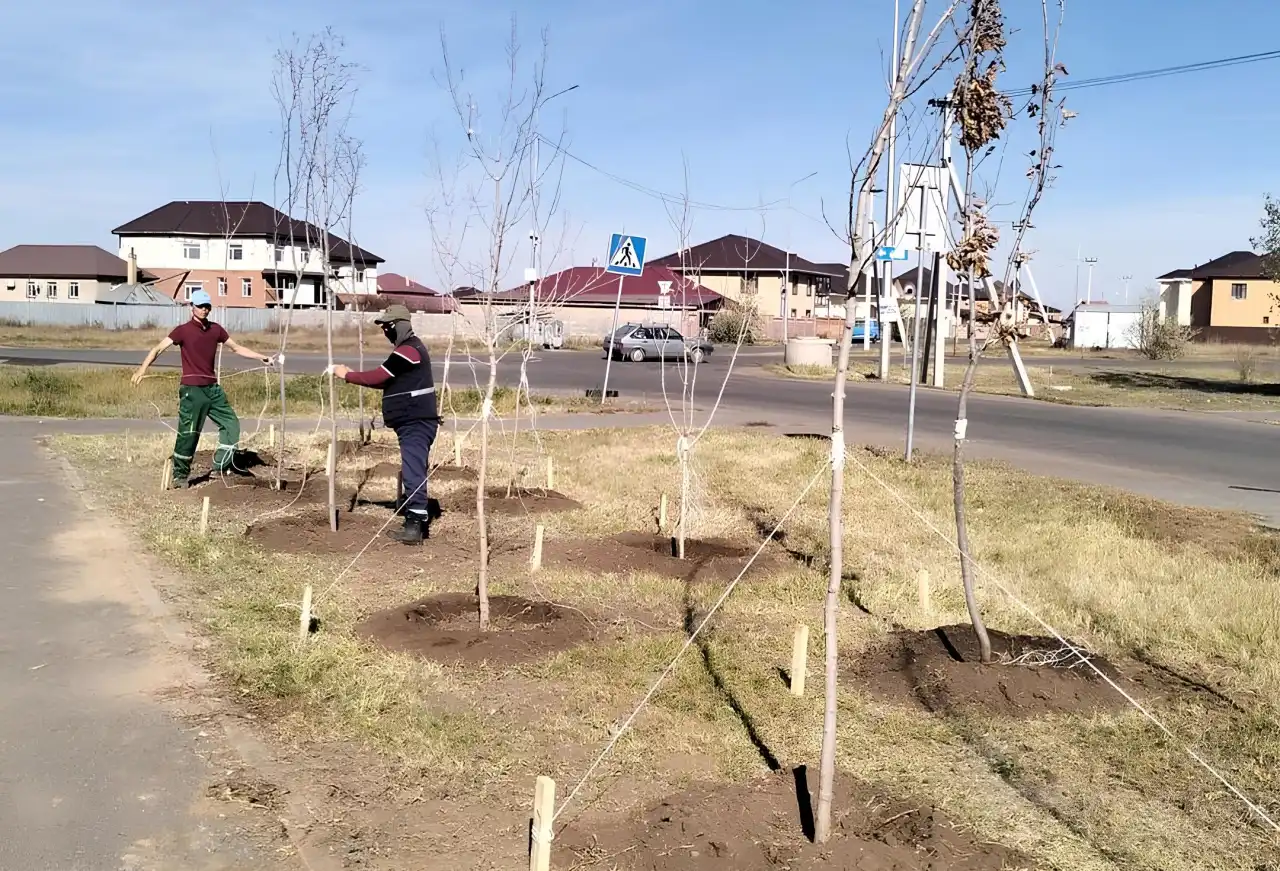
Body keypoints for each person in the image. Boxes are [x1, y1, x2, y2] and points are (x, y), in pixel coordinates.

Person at [131, 290, 276, 489]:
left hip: (213, 390)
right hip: (192, 391)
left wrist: (262, 357)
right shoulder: (182, 330)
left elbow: (237, 348)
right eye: (200, 306)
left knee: (231, 424)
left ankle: (220, 467)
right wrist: (142, 369)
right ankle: (180, 476)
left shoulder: (216, 330)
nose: (204, 310)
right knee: (189, 433)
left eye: (207, 306)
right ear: (192, 307)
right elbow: (157, 349)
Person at [329, 304, 438, 545]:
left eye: (388, 326)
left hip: (417, 422)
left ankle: (415, 526)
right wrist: (352, 376)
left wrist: (346, 374)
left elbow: (380, 375)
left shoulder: (410, 350)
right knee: (413, 468)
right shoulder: (407, 351)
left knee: (413, 471)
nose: (385, 331)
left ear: (400, 325)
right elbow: (386, 381)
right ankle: (414, 516)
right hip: (411, 421)